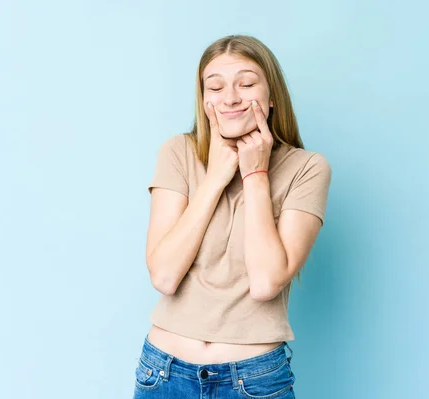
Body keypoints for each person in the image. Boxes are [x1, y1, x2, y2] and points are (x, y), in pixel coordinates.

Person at [133, 34, 331, 398]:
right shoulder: (178, 152)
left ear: (272, 98)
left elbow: (266, 283)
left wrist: (255, 174)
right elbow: (163, 275)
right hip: (163, 374)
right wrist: (215, 178)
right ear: (204, 100)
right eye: (216, 87)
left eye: (247, 83)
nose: (230, 98)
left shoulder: (307, 168)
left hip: (254, 380)